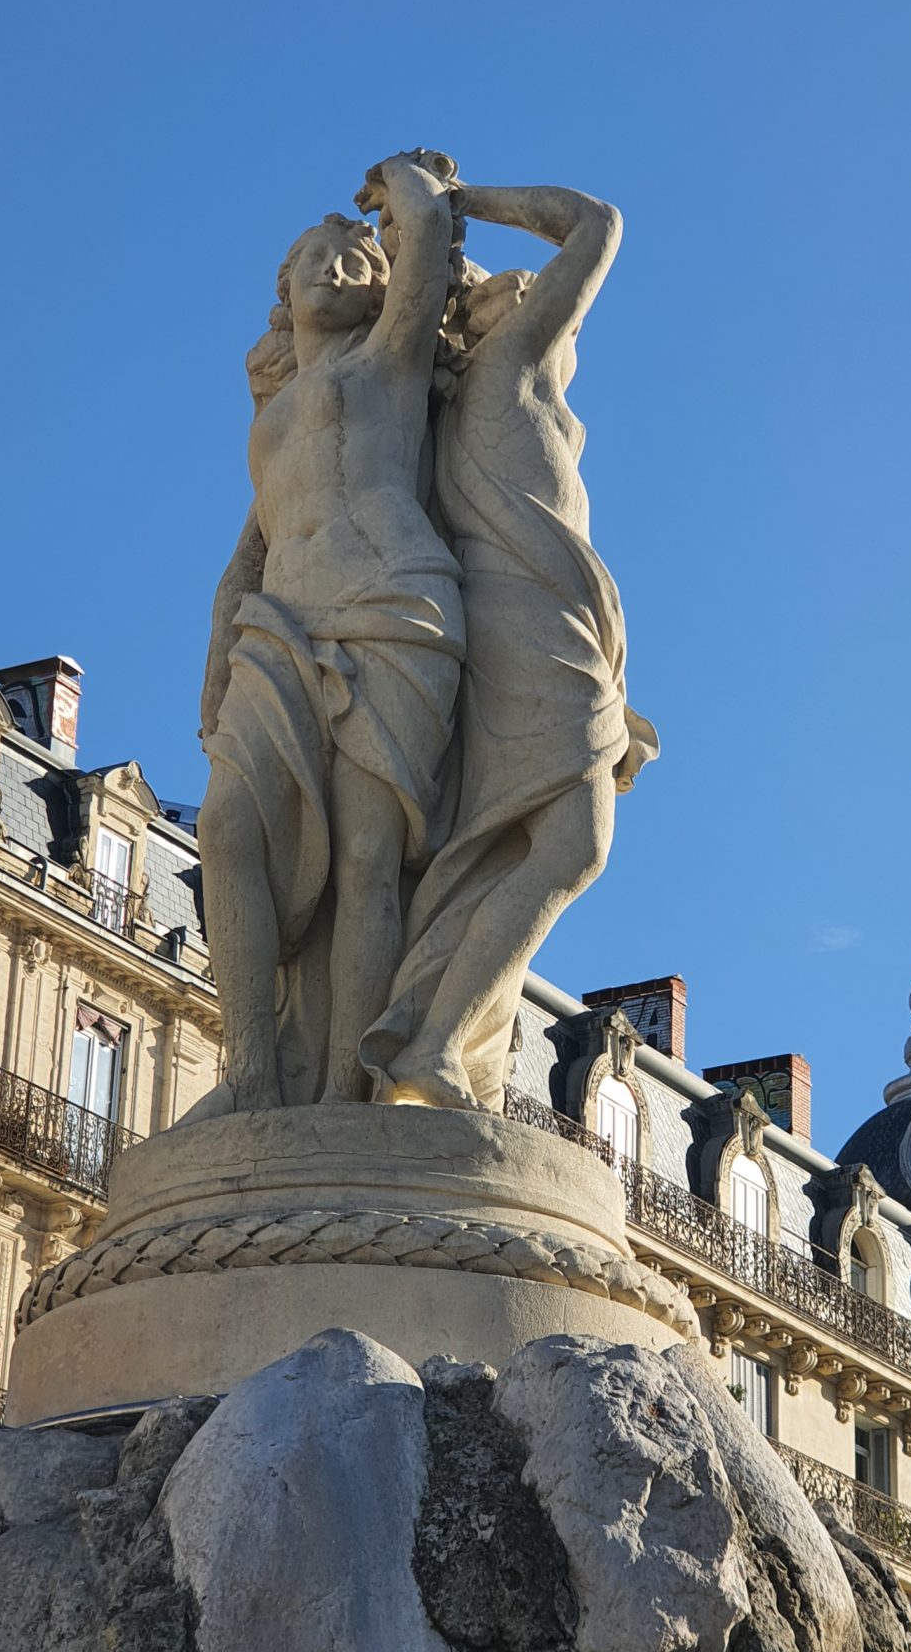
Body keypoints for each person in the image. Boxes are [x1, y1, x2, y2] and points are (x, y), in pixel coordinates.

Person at [359, 177, 657, 1112]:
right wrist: (461, 201)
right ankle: (432, 1042)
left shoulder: (512, 394)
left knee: (517, 849)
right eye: (512, 293)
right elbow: (598, 225)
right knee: (575, 842)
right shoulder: (508, 372)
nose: (535, 297)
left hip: (537, 626)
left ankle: (437, 1034)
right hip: (531, 627)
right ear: (486, 326)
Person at [197, 153, 465, 1108]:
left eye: (356, 262)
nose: (334, 269)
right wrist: (216, 655)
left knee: (365, 860)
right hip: (280, 626)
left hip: (398, 608)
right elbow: (253, 549)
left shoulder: (389, 362)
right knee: (227, 828)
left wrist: (408, 192)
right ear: (285, 286)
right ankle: (252, 1070)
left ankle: (349, 1091)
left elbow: (426, 253)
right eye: (316, 256)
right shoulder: (270, 419)